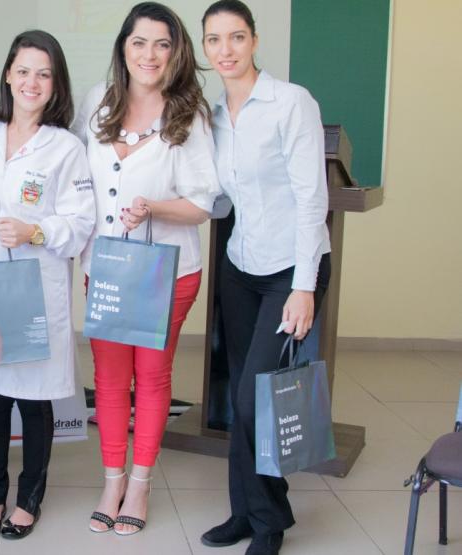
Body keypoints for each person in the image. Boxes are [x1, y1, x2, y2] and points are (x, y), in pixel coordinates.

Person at [71, 1, 220, 536]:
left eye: (162, 43)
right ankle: (111, 479)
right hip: (107, 269)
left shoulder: (190, 113)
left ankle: (140, 482)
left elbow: (203, 201)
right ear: (123, 48)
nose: (149, 54)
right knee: (109, 379)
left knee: (152, 378)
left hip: (168, 270)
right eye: (139, 42)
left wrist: (153, 207)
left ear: (175, 52)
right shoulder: (96, 103)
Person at [0, 30, 95, 540]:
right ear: (8, 74)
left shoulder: (66, 147)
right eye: (24, 70)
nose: (32, 82)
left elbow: (81, 221)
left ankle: (28, 499)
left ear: (56, 84)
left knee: (33, 398)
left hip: (33, 285)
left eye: (44, 73)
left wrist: (37, 230)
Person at [199, 2, 331, 554]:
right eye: (213, 40)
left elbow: (311, 199)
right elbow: (221, 196)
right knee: (239, 395)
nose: (225, 49)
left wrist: (303, 287)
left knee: (259, 401)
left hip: (290, 271)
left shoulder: (291, 103)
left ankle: (270, 521)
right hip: (241, 265)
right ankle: (245, 513)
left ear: (254, 40)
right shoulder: (213, 114)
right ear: (204, 48)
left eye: (236, 37)